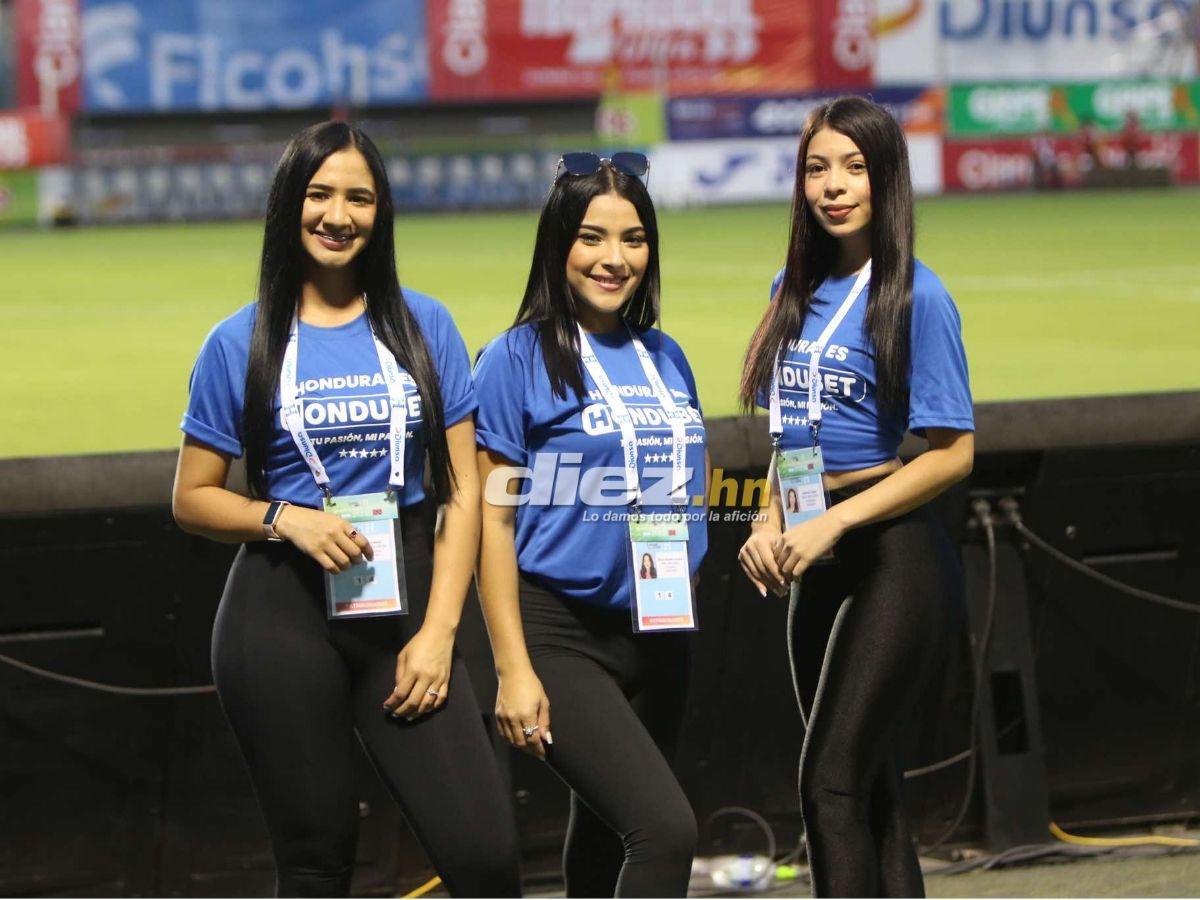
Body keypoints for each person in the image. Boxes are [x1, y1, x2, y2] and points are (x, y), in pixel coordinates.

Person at [171, 121, 521, 898]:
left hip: (407, 610)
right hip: (279, 614)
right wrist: (281, 517)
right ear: (289, 205)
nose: (338, 214)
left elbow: (463, 493)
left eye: (359, 197)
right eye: (319, 193)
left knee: (486, 858)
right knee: (316, 865)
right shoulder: (240, 341)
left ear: (381, 211)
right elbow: (191, 497)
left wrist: (438, 634)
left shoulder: (426, 326)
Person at [737, 97, 974, 897]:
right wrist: (768, 519)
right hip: (814, 554)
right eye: (816, 168)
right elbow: (789, 433)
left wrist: (833, 519)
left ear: (886, 178)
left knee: (828, 783)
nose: (833, 186)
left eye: (854, 167)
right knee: (871, 791)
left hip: (892, 555)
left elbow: (952, 455)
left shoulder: (918, 297)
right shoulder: (792, 287)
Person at [472, 152, 708, 897]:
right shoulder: (512, 360)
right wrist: (512, 669)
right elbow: (489, 525)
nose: (615, 259)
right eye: (592, 238)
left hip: (662, 627)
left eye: (634, 239)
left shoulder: (667, 357)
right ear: (557, 245)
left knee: (607, 841)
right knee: (665, 832)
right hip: (560, 634)